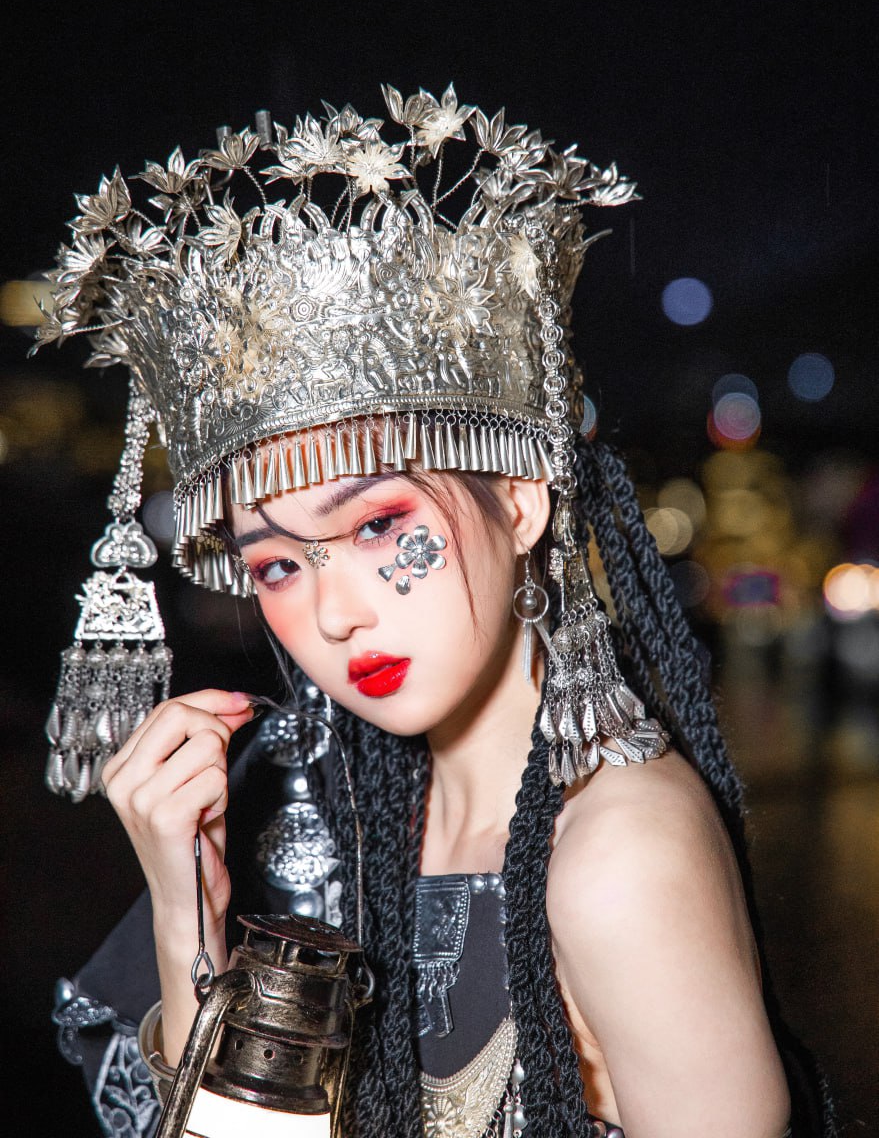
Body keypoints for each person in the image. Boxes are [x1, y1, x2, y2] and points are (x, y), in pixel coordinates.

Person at [39, 85, 833, 1138]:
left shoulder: (619, 855)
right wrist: (191, 910)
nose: (333, 614)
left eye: (377, 525)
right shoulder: (318, 807)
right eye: (276, 565)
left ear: (520, 499)